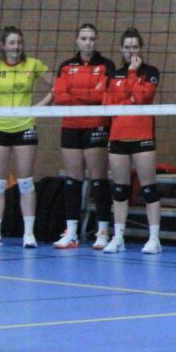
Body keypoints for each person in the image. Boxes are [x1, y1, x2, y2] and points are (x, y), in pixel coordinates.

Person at [0, 26, 54, 249]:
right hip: (1, 128)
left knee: (26, 181)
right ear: (4, 45)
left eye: (19, 42)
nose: (16, 47)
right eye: (12, 43)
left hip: (25, 127)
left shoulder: (32, 65)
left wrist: (40, 106)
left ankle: (29, 234)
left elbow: (58, 85)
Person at [51, 23, 115, 249]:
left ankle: (102, 232)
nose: (88, 43)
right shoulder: (66, 66)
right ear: (77, 41)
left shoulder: (106, 65)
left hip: (96, 125)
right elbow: (60, 97)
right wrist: (90, 95)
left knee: (99, 179)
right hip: (71, 125)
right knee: (72, 180)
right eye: (84, 38)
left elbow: (105, 96)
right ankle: (71, 233)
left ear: (96, 41)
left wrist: (77, 95)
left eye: (91, 39)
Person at [102, 28, 162, 254]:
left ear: (141, 48)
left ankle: (154, 239)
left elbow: (142, 98)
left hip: (142, 136)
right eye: (127, 47)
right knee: (119, 189)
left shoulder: (150, 72)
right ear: (121, 49)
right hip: (118, 136)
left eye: (135, 47)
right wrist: (129, 101)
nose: (131, 51)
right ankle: (118, 237)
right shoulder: (113, 74)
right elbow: (108, 105)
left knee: (148, 188)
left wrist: (132, 74)